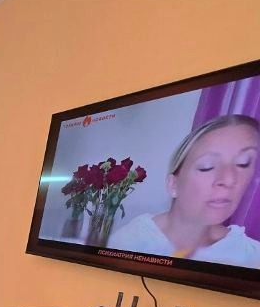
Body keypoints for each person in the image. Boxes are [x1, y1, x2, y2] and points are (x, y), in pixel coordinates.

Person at [107, 114, 260, 268]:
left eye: (244, 163)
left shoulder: (251, 256)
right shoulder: (129, 242)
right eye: (207, 166)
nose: (229, 179)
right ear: (173, 185)